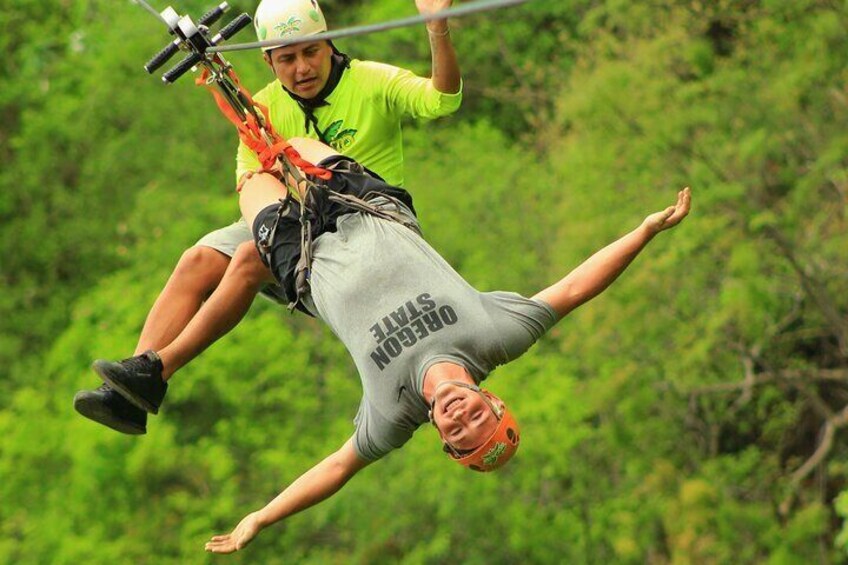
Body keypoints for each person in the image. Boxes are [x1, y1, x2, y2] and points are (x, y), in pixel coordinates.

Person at [175, 137, 689, 554]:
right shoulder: (495, 337)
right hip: (366, 206)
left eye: (458, 432)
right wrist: (643, 233)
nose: (459, 416)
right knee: (283, 137)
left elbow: (335, 469)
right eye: (477, 418)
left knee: (252, 171)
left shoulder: (393, 414)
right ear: (492, 401)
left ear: (443, 438)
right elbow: (575, 289)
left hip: (300, 254)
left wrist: (261, 518)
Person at [73, 0, 462, 434]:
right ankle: (131, 390)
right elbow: (249, 182)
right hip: (290, 216)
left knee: (246, 259)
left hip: (362, 225)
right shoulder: (262, 106)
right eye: (287, 58)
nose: (302, 68)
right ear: (268, 60)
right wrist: (278, 224)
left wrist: (436, 29)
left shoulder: (371, 81)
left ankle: (157, 370)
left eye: (310, 52)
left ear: (328, 43)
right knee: (196, 260)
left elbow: (442, 99)